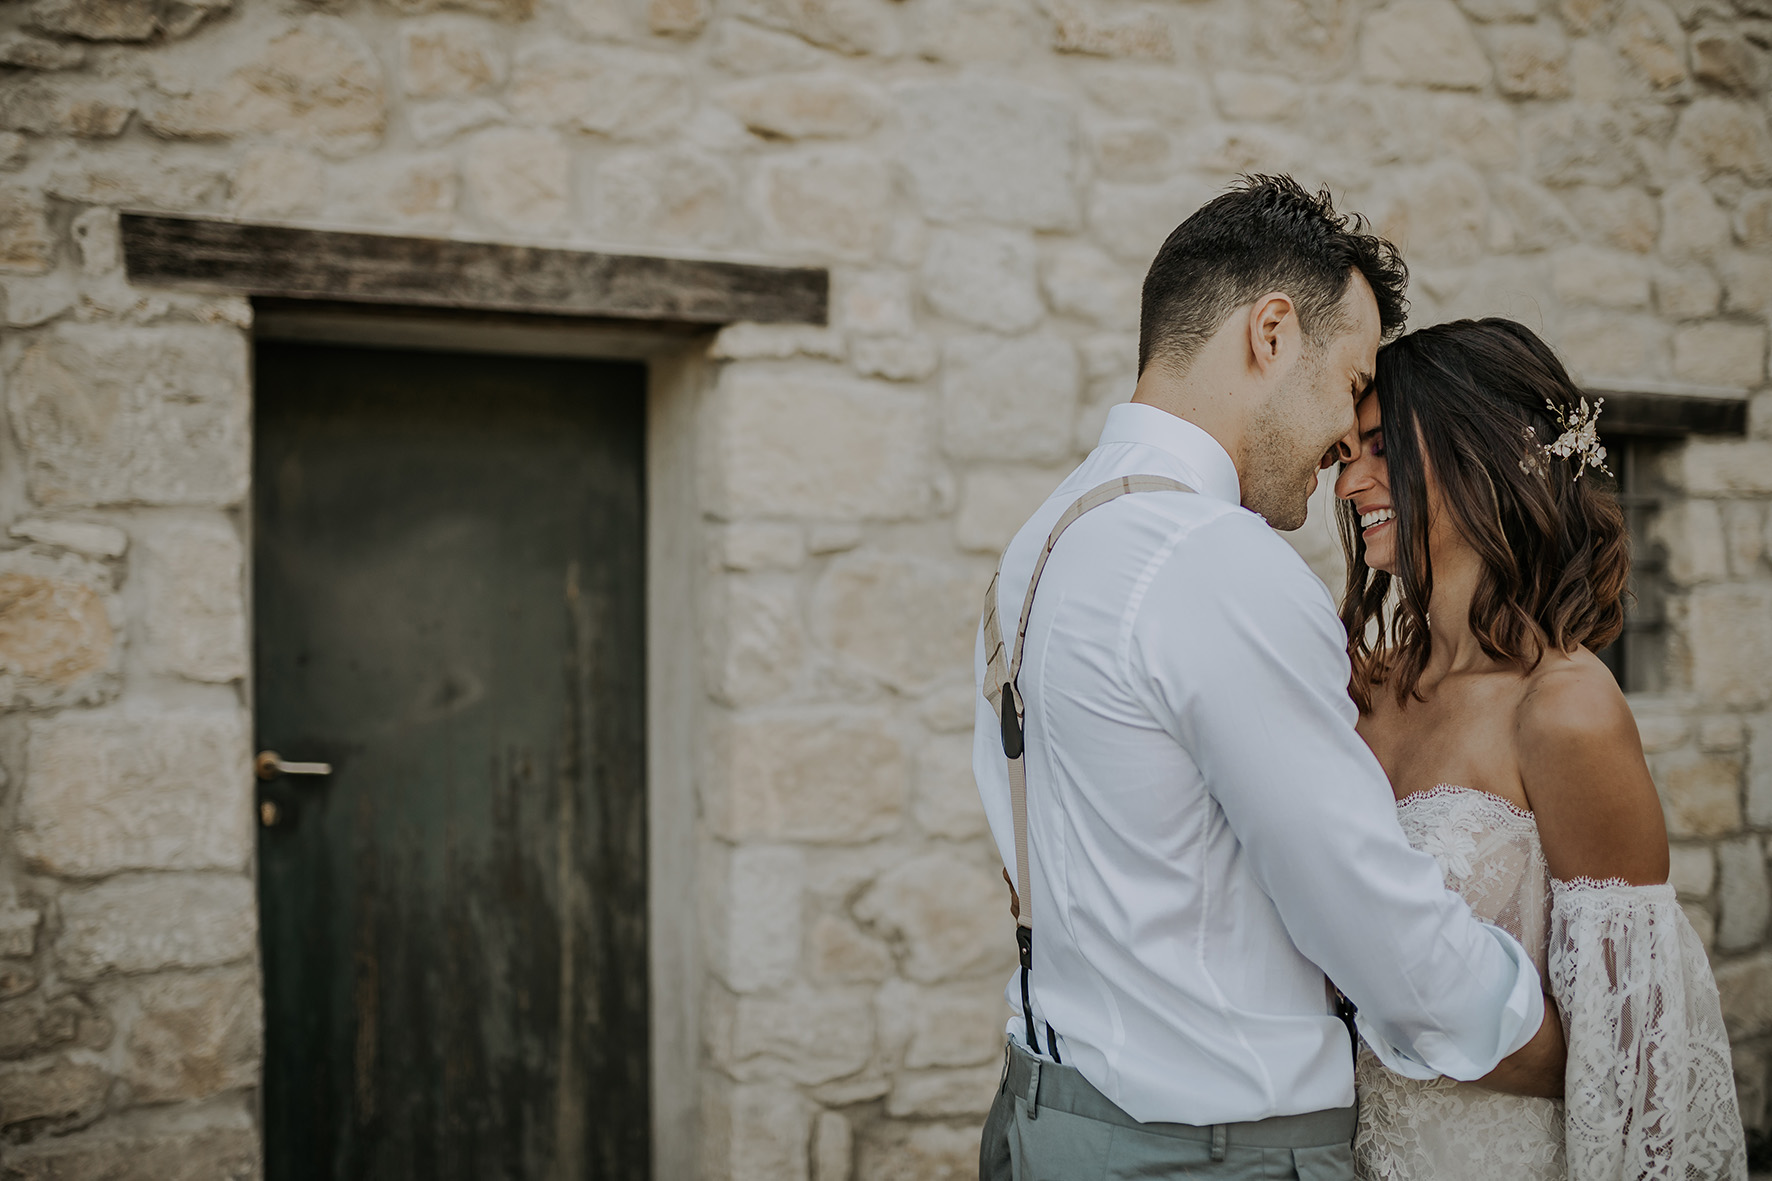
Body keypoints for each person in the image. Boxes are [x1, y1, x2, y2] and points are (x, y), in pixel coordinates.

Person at [974, 174, 1559, 1181]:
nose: (1344, 442)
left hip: (1040, 1114)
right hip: (1204, 1153)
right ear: (1270, 333)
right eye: (1347, 382)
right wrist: (1543, 1040)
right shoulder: (1211, 559)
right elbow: (1362, 907)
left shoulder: (1043, 536)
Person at [1332, 317, 1747, 1181]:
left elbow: (1630, 1055)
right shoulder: (1362, 691)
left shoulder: (1564, 709)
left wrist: (1395, 1007)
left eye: (1380, 450)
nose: (1351, 481)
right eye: (1346, 453)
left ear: (1474, 456)